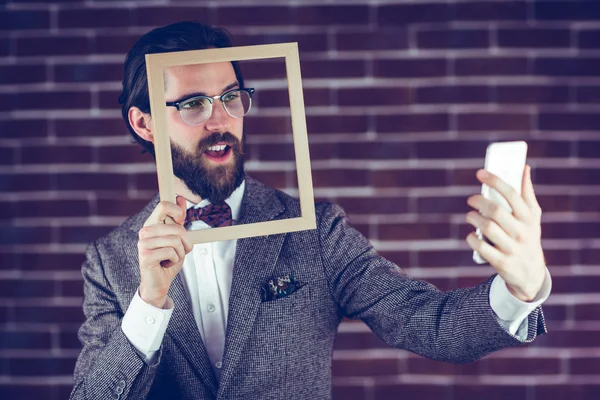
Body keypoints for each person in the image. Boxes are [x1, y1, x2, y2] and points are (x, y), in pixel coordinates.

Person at [70, 21, 551, 400]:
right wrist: (148, 303)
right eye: (194, 104)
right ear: (145, 123)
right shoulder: (110, 261)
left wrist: (521, 289)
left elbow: (429, 323)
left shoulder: (317, 232)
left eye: (232, 98)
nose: (221, 120)